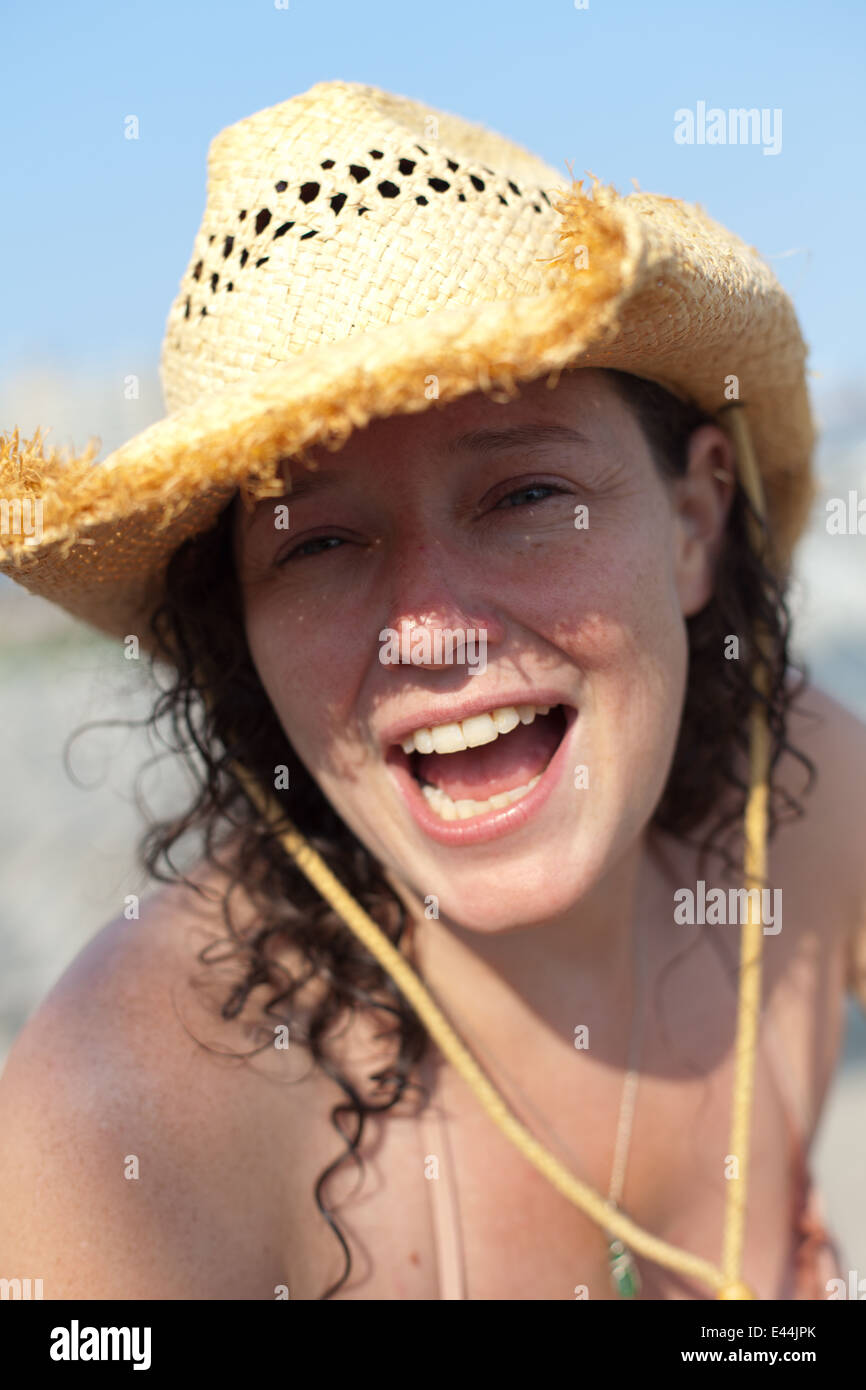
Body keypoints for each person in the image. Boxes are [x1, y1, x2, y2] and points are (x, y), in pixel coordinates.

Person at [0, 79, 864, 1302]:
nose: (432, 629)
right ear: (237, 632)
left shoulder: (804, 812)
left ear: (692, 516)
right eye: (319, 544)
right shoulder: (123, 1134)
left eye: (521, 496)